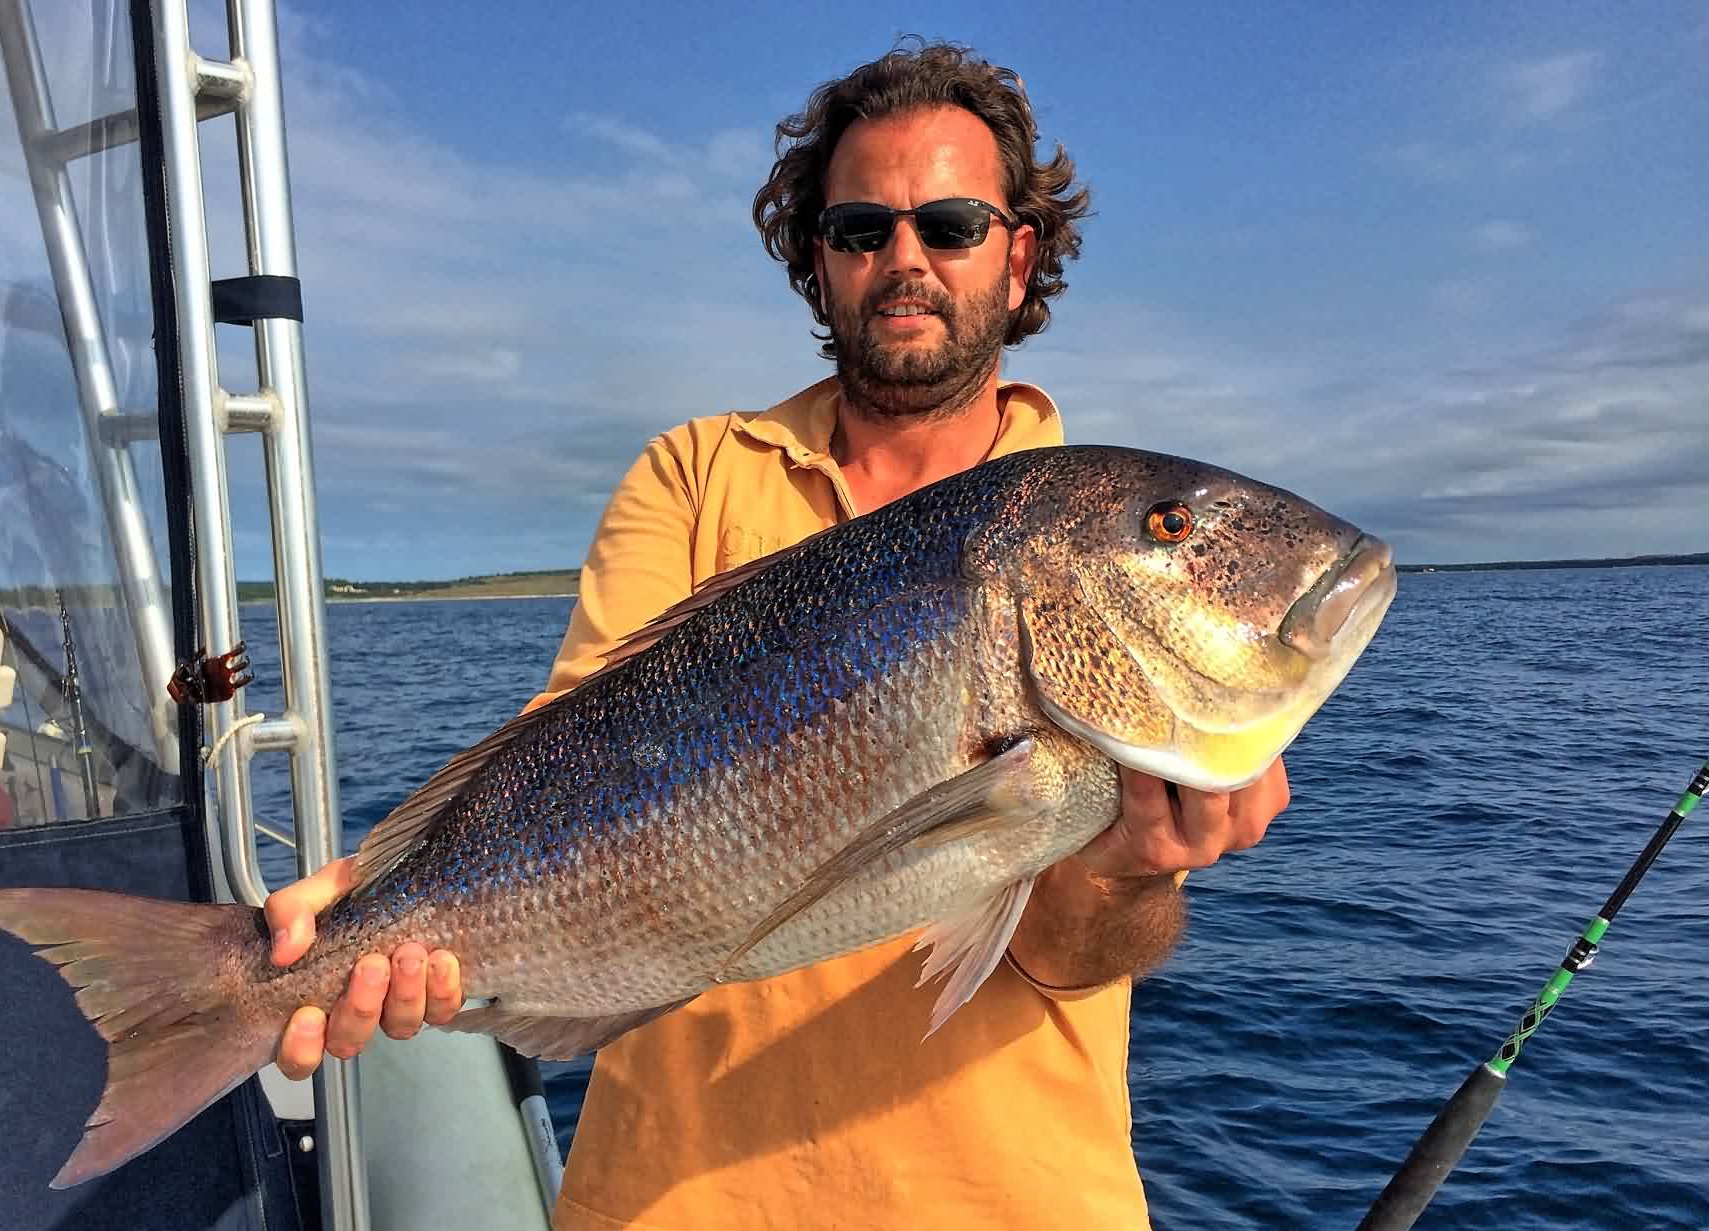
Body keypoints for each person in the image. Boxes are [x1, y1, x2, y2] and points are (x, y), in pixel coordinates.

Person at [265, 41, 1290, 1229]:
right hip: (672, 1200)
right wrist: (387, 894)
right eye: (862, 228)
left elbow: (1063, 959)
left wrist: (1132, 865)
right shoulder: (696, 475)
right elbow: (568, 754)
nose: (904, 259)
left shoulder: (1077, 525)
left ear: (1018, 259)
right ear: (819, 260)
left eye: (950, 223)